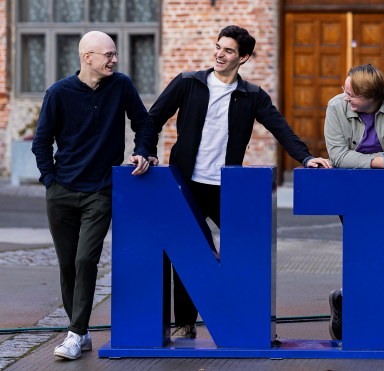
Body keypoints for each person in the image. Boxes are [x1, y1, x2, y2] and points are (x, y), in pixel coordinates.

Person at [147, 25, 332, 340]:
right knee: (184, 252)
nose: (220, 54)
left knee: (243, 249)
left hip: (225, 188)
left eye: (229, 50)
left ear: (243, 57)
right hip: (186, 184)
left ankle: (242, 320)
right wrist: (144, 151)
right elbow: (153, 118)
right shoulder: (187, 83)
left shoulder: (252, 95)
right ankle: (185, 322)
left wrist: (305, 158)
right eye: (218, 47)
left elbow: (280, 128)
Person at [31, 31, 155, 360]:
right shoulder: (58, 92)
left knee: (86, 259)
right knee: (68, 265)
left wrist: (143, 150)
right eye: (108, 55)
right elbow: (41, 141)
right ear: (88, 57)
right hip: (62, 192)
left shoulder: (122, 86)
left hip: (100, 190)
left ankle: (73, 333)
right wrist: (50, 181)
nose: (114, 59)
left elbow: (143, 123)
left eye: (114, 54)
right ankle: (81, 331)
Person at [323, 64, 384, 340]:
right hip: (350, 191)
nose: (345, 98)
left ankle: (348, 303)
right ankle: (359, 318)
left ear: (372, 98)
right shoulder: (336, 106)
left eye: (351, 95)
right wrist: (379, 161)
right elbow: (338, 155)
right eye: (345, 90)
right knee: (362, 250)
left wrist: (376, 162)